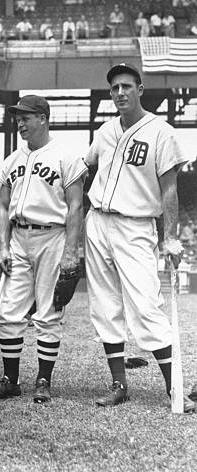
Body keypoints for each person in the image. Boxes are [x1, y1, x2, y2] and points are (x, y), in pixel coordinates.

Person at [85, 63, 195, 413]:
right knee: (104, 305)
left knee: (146, 305)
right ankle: (119, 384)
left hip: (135, 225)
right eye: (115, 87)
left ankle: (173, 387)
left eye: (127, 86)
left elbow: (169, 190)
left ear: (140, 89)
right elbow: (84, 166)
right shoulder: (104, 131)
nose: (120, 93)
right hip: (98, 220)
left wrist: (171, 237)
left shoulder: (161, 131)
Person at [0, 95, 86, 404]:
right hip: (19, 237)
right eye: (18, 117)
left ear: (43, 118)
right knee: (9, 311)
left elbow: (76, 207)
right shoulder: (12, 159)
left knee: (49, 313)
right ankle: (10, 380)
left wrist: (71, 251)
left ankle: (43, 380)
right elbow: (2, 208)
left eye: (26, 117)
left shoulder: (66, 156)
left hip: (52, 237)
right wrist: (2, 246)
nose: (20, 123)